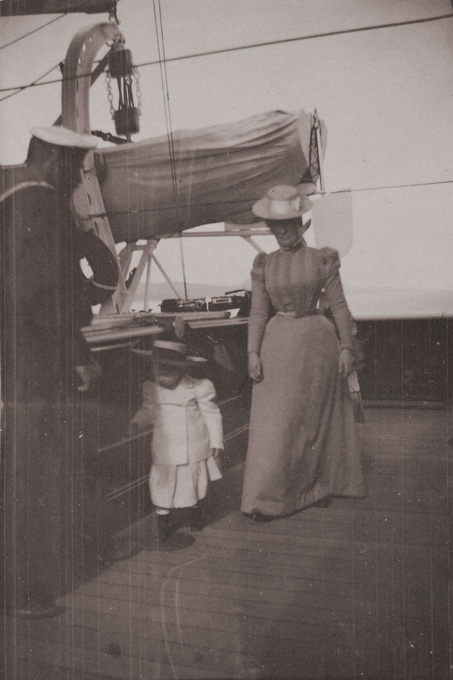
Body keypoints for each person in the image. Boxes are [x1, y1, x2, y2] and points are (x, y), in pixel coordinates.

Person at [1, 126, 117, 619]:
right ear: (54, 162)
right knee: (34, 479)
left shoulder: (10, 203)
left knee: (22, 474)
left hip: (13, 365)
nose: (77, 181)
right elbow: (48, 296)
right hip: (39, 366)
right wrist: (79, 354)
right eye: (75, 170)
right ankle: (24, 593)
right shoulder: (45, 206)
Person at [241, 185, 365, 521]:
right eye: (277, 225)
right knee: (278, 423)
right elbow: (257, 312)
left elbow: (339, 305)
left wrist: (346, 347)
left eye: (290, 223)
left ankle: (318, 487)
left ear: (300, 223)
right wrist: (252, 352)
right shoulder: (263, 264)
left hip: (318, 343)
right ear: (270, 227)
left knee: (316, 419)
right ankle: (269, 499)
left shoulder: (321, 258)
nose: (284, 231)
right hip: (278, 345)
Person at [130, 339, 224, 548]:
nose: (161, 378)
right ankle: (163, 524)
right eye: (157, 372)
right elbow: (147, 411)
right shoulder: (152, 389)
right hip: (166, 449)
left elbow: (211, 414)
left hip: (193, 448)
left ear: (182, 369)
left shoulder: (198, 387)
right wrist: (137, 422)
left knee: (194, 484)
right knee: (161, 486)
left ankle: (196, 513)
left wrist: (216, 440)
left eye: (168, 372)